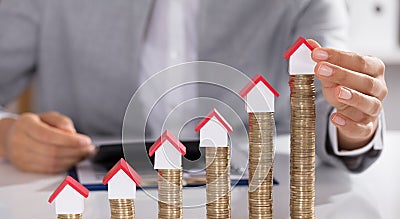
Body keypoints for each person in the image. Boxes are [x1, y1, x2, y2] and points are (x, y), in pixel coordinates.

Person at [0, 0, 387, 174]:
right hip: (90, 205)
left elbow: (329, 106)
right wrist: (7, 134)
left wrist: (355, 124)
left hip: (259, 208)